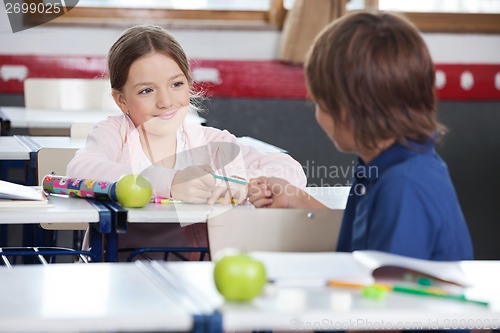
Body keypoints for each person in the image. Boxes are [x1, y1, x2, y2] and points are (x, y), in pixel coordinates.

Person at [67, 25, 307, 261]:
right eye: (147, 90)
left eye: (176, 84)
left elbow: (288, 167)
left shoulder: (209, 141)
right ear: (122, 100)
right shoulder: (115, 133)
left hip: (198, 274)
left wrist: (250, 183)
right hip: (121, 272)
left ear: (189, 84)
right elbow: (79, 170)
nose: (165, 101)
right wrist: (169, 182)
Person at [248, 11, 473, 261]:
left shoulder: (403, 186)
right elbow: (359, 247)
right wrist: (296, 198)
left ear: (345, 112)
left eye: (318, 104)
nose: (318, 115)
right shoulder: (382, 164)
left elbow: (386, 291)